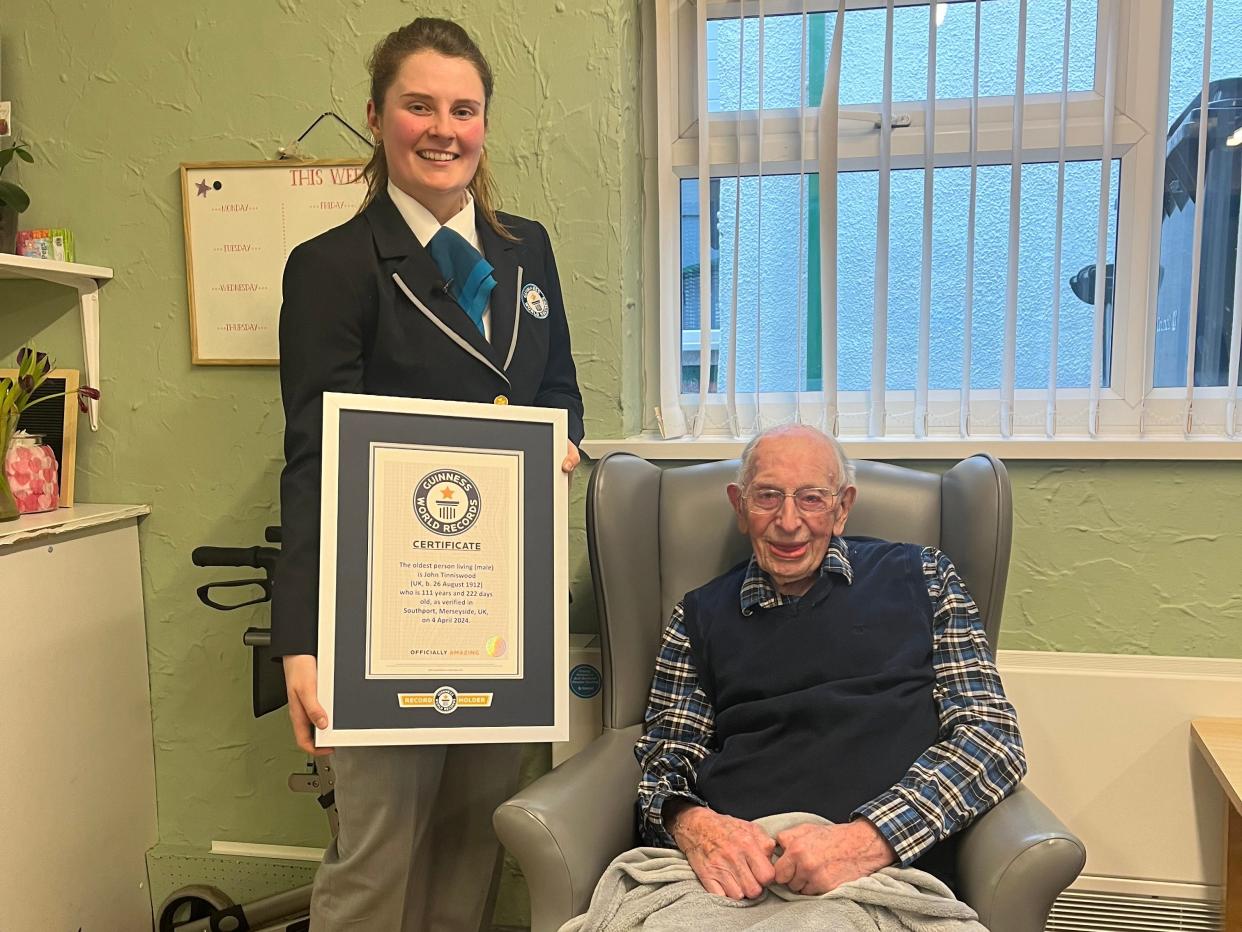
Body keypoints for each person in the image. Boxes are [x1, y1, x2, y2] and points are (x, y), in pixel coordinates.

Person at [273, 17, 584, 932]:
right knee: (377, 859)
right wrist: (302, 641)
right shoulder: (332, 268)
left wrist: (562, 444)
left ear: (485, 123)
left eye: (464, 108)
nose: (443, 127)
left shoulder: (527, 250)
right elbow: (312, 458)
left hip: (498, 611)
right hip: (380, 620)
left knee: (468, 846)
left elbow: (559, 394)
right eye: (419, 105)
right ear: (377, 116)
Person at [634, 425, 1026, 902]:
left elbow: (991, 738)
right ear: (740, 507)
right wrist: (697, 828)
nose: (788, 521)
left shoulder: (923, 578)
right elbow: (664, 761)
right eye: (768, 497)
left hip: (880, 871)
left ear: (843, 508)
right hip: (733, 874)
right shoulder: (696, 615)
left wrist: (866, 841)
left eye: (813, 499)